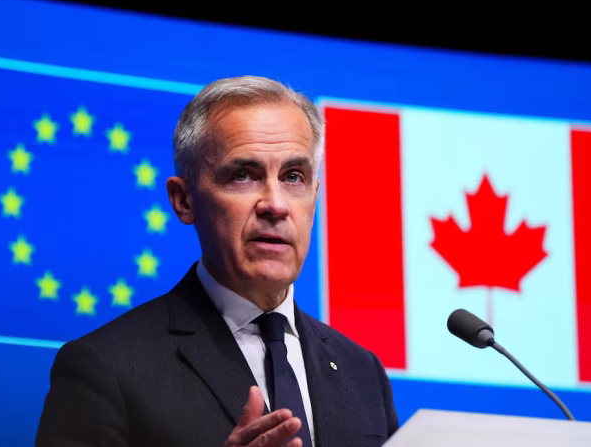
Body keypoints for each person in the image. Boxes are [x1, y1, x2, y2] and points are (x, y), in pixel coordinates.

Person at [35, 76, 398, 447]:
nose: (275, 205)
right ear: (184, 200)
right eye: (243, 176)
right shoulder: (106, 367)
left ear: (314, 196)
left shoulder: (363, 372)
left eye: (293, 177)